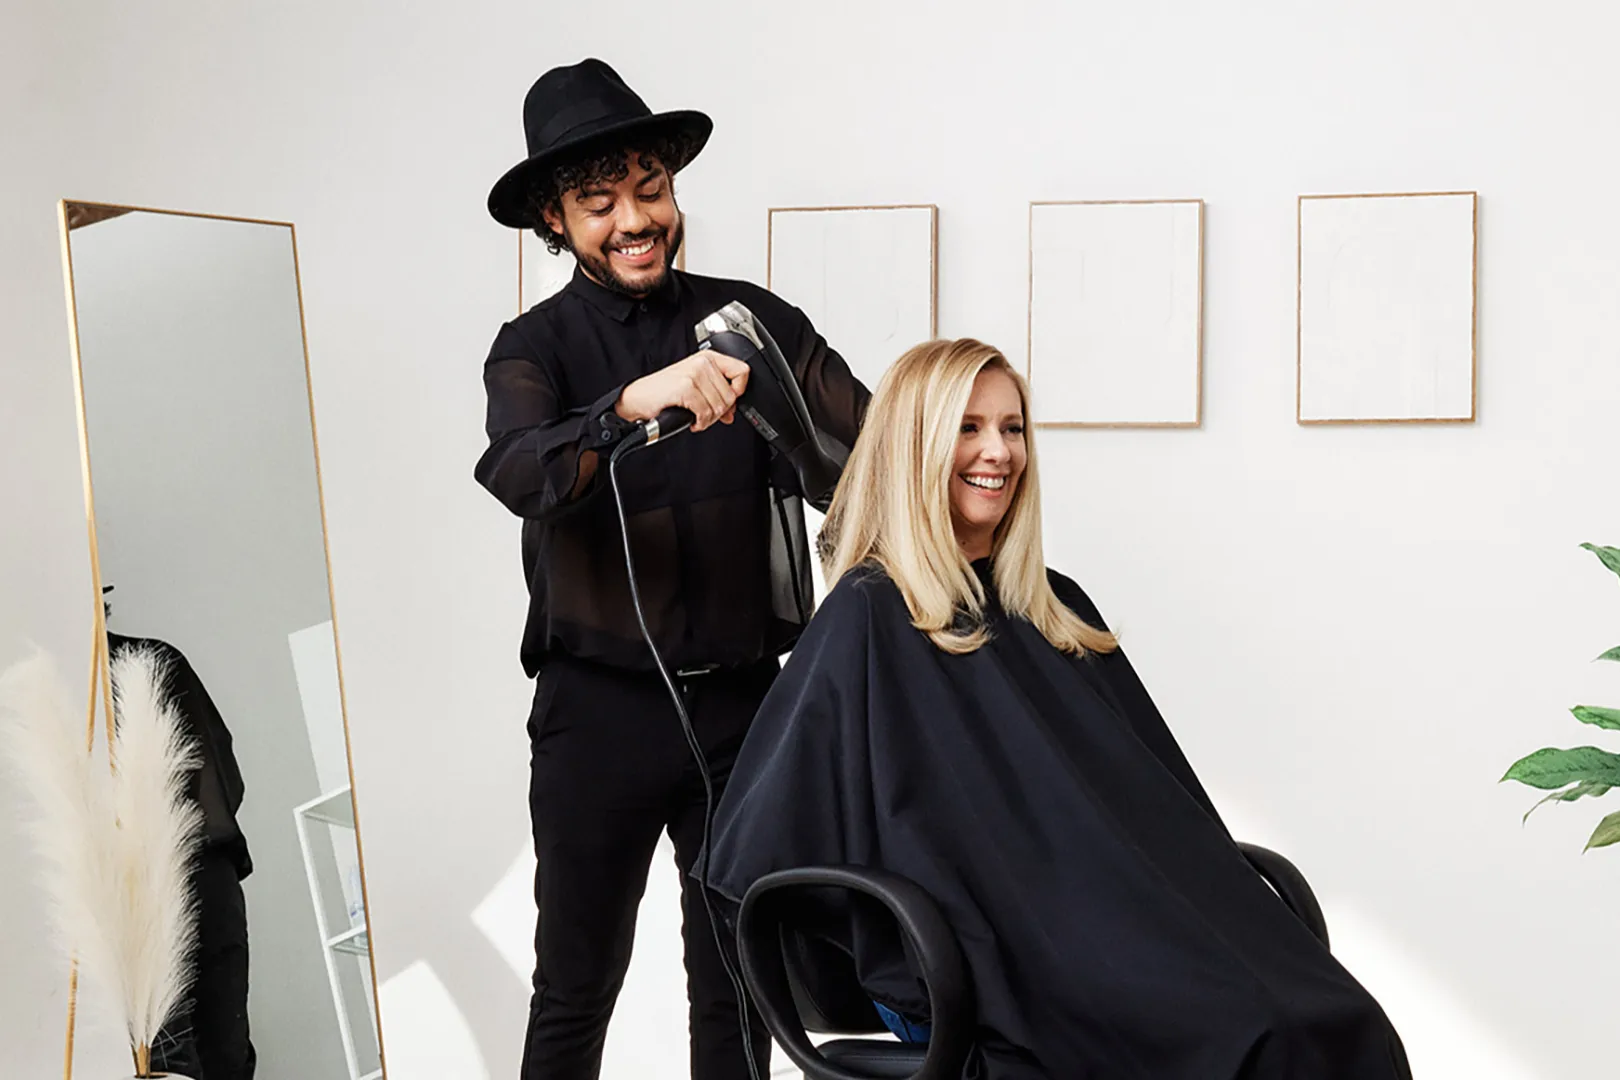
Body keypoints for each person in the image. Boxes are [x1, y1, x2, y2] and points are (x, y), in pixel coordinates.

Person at [699, 340, 1414, 1079]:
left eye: (1013, 429)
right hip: (1008, 955)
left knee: (1340, 1025)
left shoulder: (1055, 605)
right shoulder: (873, 611)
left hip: (1113, 925)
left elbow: (1158, 812)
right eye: (968, 427)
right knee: (1249, 1041)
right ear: (914, 447)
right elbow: (761, 842)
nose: (998, 452)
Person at [475, 58, 870, 1080]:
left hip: (745, 713)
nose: (634, 218)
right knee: (575, 988)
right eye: (599, 202)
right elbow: (520, 469)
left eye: (649, 189)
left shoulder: (751, 320)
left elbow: (871, 460)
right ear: (554, 223)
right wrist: (631, 405)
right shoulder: (535, 348)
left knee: (743, 988)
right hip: (595, 715)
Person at [105, 590, 257, 1080]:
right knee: (221, 1053)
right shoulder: (154, 661)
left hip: (150, 893)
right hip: (207, 878)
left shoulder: (140, 666)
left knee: (168, 1056)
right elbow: (225, 777)